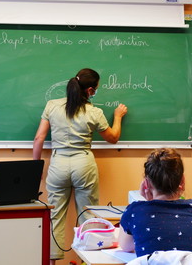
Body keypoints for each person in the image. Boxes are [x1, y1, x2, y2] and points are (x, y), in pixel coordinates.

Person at [33, 68, 127, 264]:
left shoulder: (52, 106)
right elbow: (113, 138)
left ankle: (52, 262)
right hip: (83, 164)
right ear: (90, 90)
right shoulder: (94, 112)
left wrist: (36, 167)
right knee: (87, 217)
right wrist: (117, 117)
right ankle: (85, 261)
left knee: (55, 216)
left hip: (58, 163)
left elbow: (39, 138)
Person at [118, 148, 192, 258]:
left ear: (146, 184)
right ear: (182, 181)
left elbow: (126, 246)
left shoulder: (135, 212)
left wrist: (148, 204)